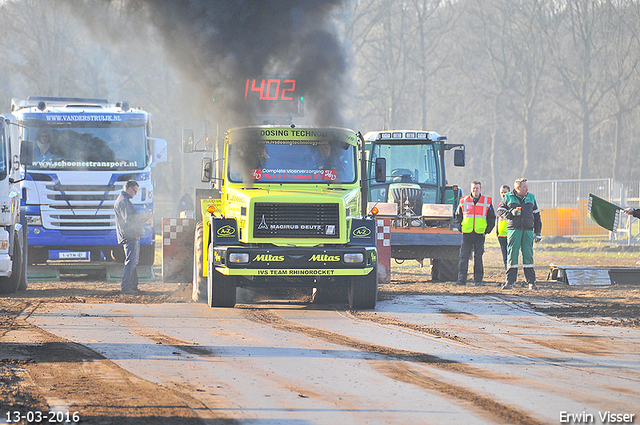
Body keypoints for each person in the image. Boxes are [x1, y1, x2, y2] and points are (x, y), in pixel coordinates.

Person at [497, 178, 542, 290]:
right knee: (512, 255)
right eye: (525, 187)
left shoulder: (531, 197)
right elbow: (500, 210)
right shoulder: (508, 197)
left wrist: (537, 232)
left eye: (527, 187)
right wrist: (510, 213)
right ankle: (510, 281)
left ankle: (531, 282)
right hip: (514, 230)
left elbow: (537, 216)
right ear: (518, 188)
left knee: (528, 255)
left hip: (528, 230)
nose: (527, 189)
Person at [454, 181, 496, 286]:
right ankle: (461, 280)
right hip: (467, 233)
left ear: (480, 189)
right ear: (470, 189)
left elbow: (492, 218)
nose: (475, 190)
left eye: (477, 188)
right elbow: (457, 216)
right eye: (473, 188)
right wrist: (460, 228)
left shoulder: (487, 201)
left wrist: (487, 231)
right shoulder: (463, 200)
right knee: (463, 257)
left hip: (480, 234)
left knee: (478, 258)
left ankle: (478, 280)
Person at [114, 180, 152, 294]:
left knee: (133, 262)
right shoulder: (124, 201)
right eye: (135, 191)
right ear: (130, 189)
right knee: (131, 262)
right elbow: (130, 219)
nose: (135, 194)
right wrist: (144, 216)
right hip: (129, 235)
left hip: (130, 235)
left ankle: (133, 286)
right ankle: (126, 287)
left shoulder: (124, 200)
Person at [496, 185, 510, 273]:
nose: (503, 194)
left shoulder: (512, 204)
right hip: (501, 234)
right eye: (502, 192)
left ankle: (511, 275)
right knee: (505, 257)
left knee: (510, 257)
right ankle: (507, 274)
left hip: (510, 233)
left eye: (505, 192)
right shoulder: (499, 204)